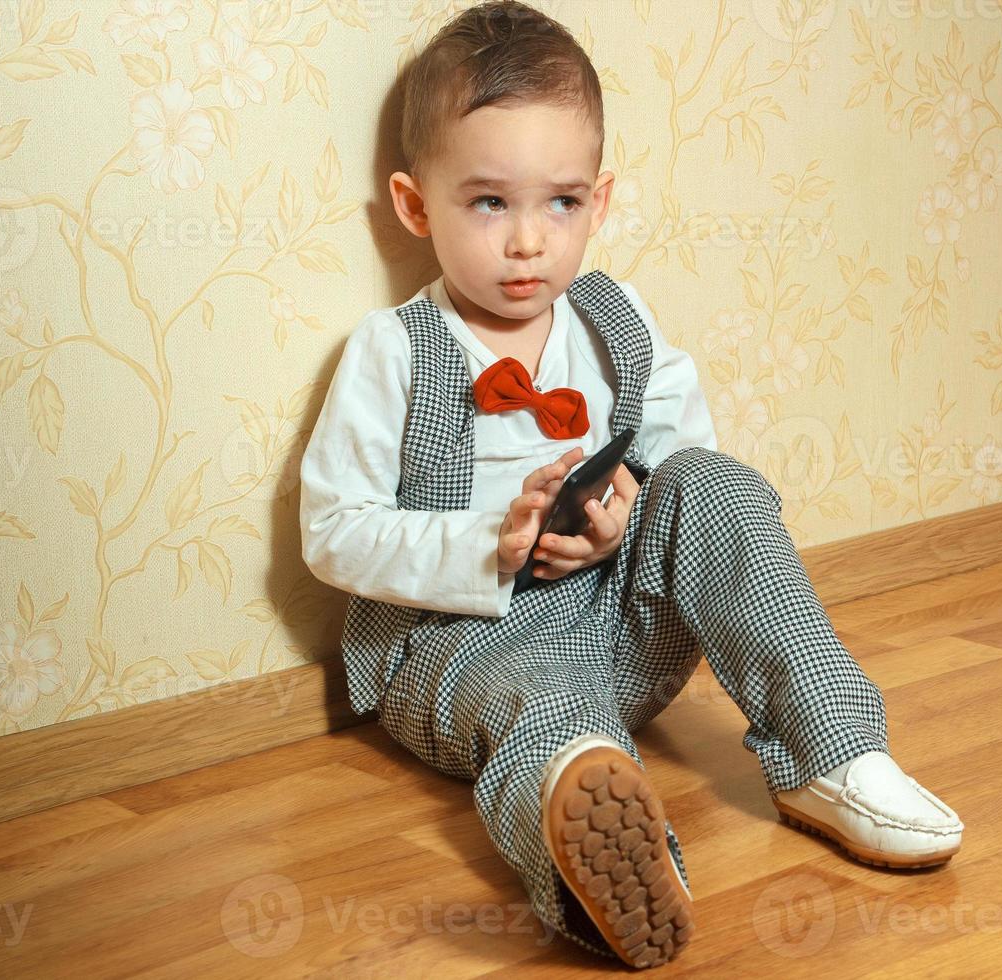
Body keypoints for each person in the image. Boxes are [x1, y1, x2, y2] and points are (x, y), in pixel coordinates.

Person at [298, 1, 963, 968]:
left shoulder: (613, 319)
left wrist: (622, 517)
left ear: (597, 203)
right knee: (543, 706)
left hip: (615, 626)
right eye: (489, 203)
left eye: (559, 203)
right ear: (415, 206)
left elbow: (678, 459)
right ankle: (598, 837)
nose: (528, 242)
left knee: (713, 481)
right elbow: (334, 532)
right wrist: (487, 543)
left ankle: (831, 750)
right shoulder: (391, 351)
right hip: (461, 649)